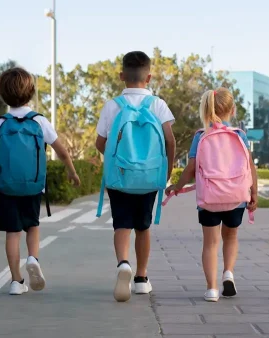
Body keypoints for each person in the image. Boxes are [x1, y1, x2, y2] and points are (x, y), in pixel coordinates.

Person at [0, 67, 80, 295]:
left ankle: (17, 281)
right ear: (32, 92)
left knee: (12, 233)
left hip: (6, 188)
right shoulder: (39, 121)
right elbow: (62, 151)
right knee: (32, 226)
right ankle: (33, 258)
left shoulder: (0, 123)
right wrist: (72, 172)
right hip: (33, 186)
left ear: (2, 94)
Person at [95, 51, 176, 302]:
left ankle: (123, 264)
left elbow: (100, 143)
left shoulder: (112, 106)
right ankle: (141, 278)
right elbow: (169, 141)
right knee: (143, 226)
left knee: (122, 224)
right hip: (149, 177)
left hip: (120, 177)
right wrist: (167, 170)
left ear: (122, 76)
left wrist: (116, 159)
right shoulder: (158, 105)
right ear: (149, 77)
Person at [166, 88, 258, 302]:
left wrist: (177, 187)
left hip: (209, 198)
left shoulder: (201, 136)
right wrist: (253, 192)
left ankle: (212, 289)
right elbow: (250, 166)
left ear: (206, 109)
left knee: (210, 243)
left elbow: (190, 168)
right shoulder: (239, 135)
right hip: (235, 197)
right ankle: (228, 273)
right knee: (231, 237)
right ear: (233, 110)